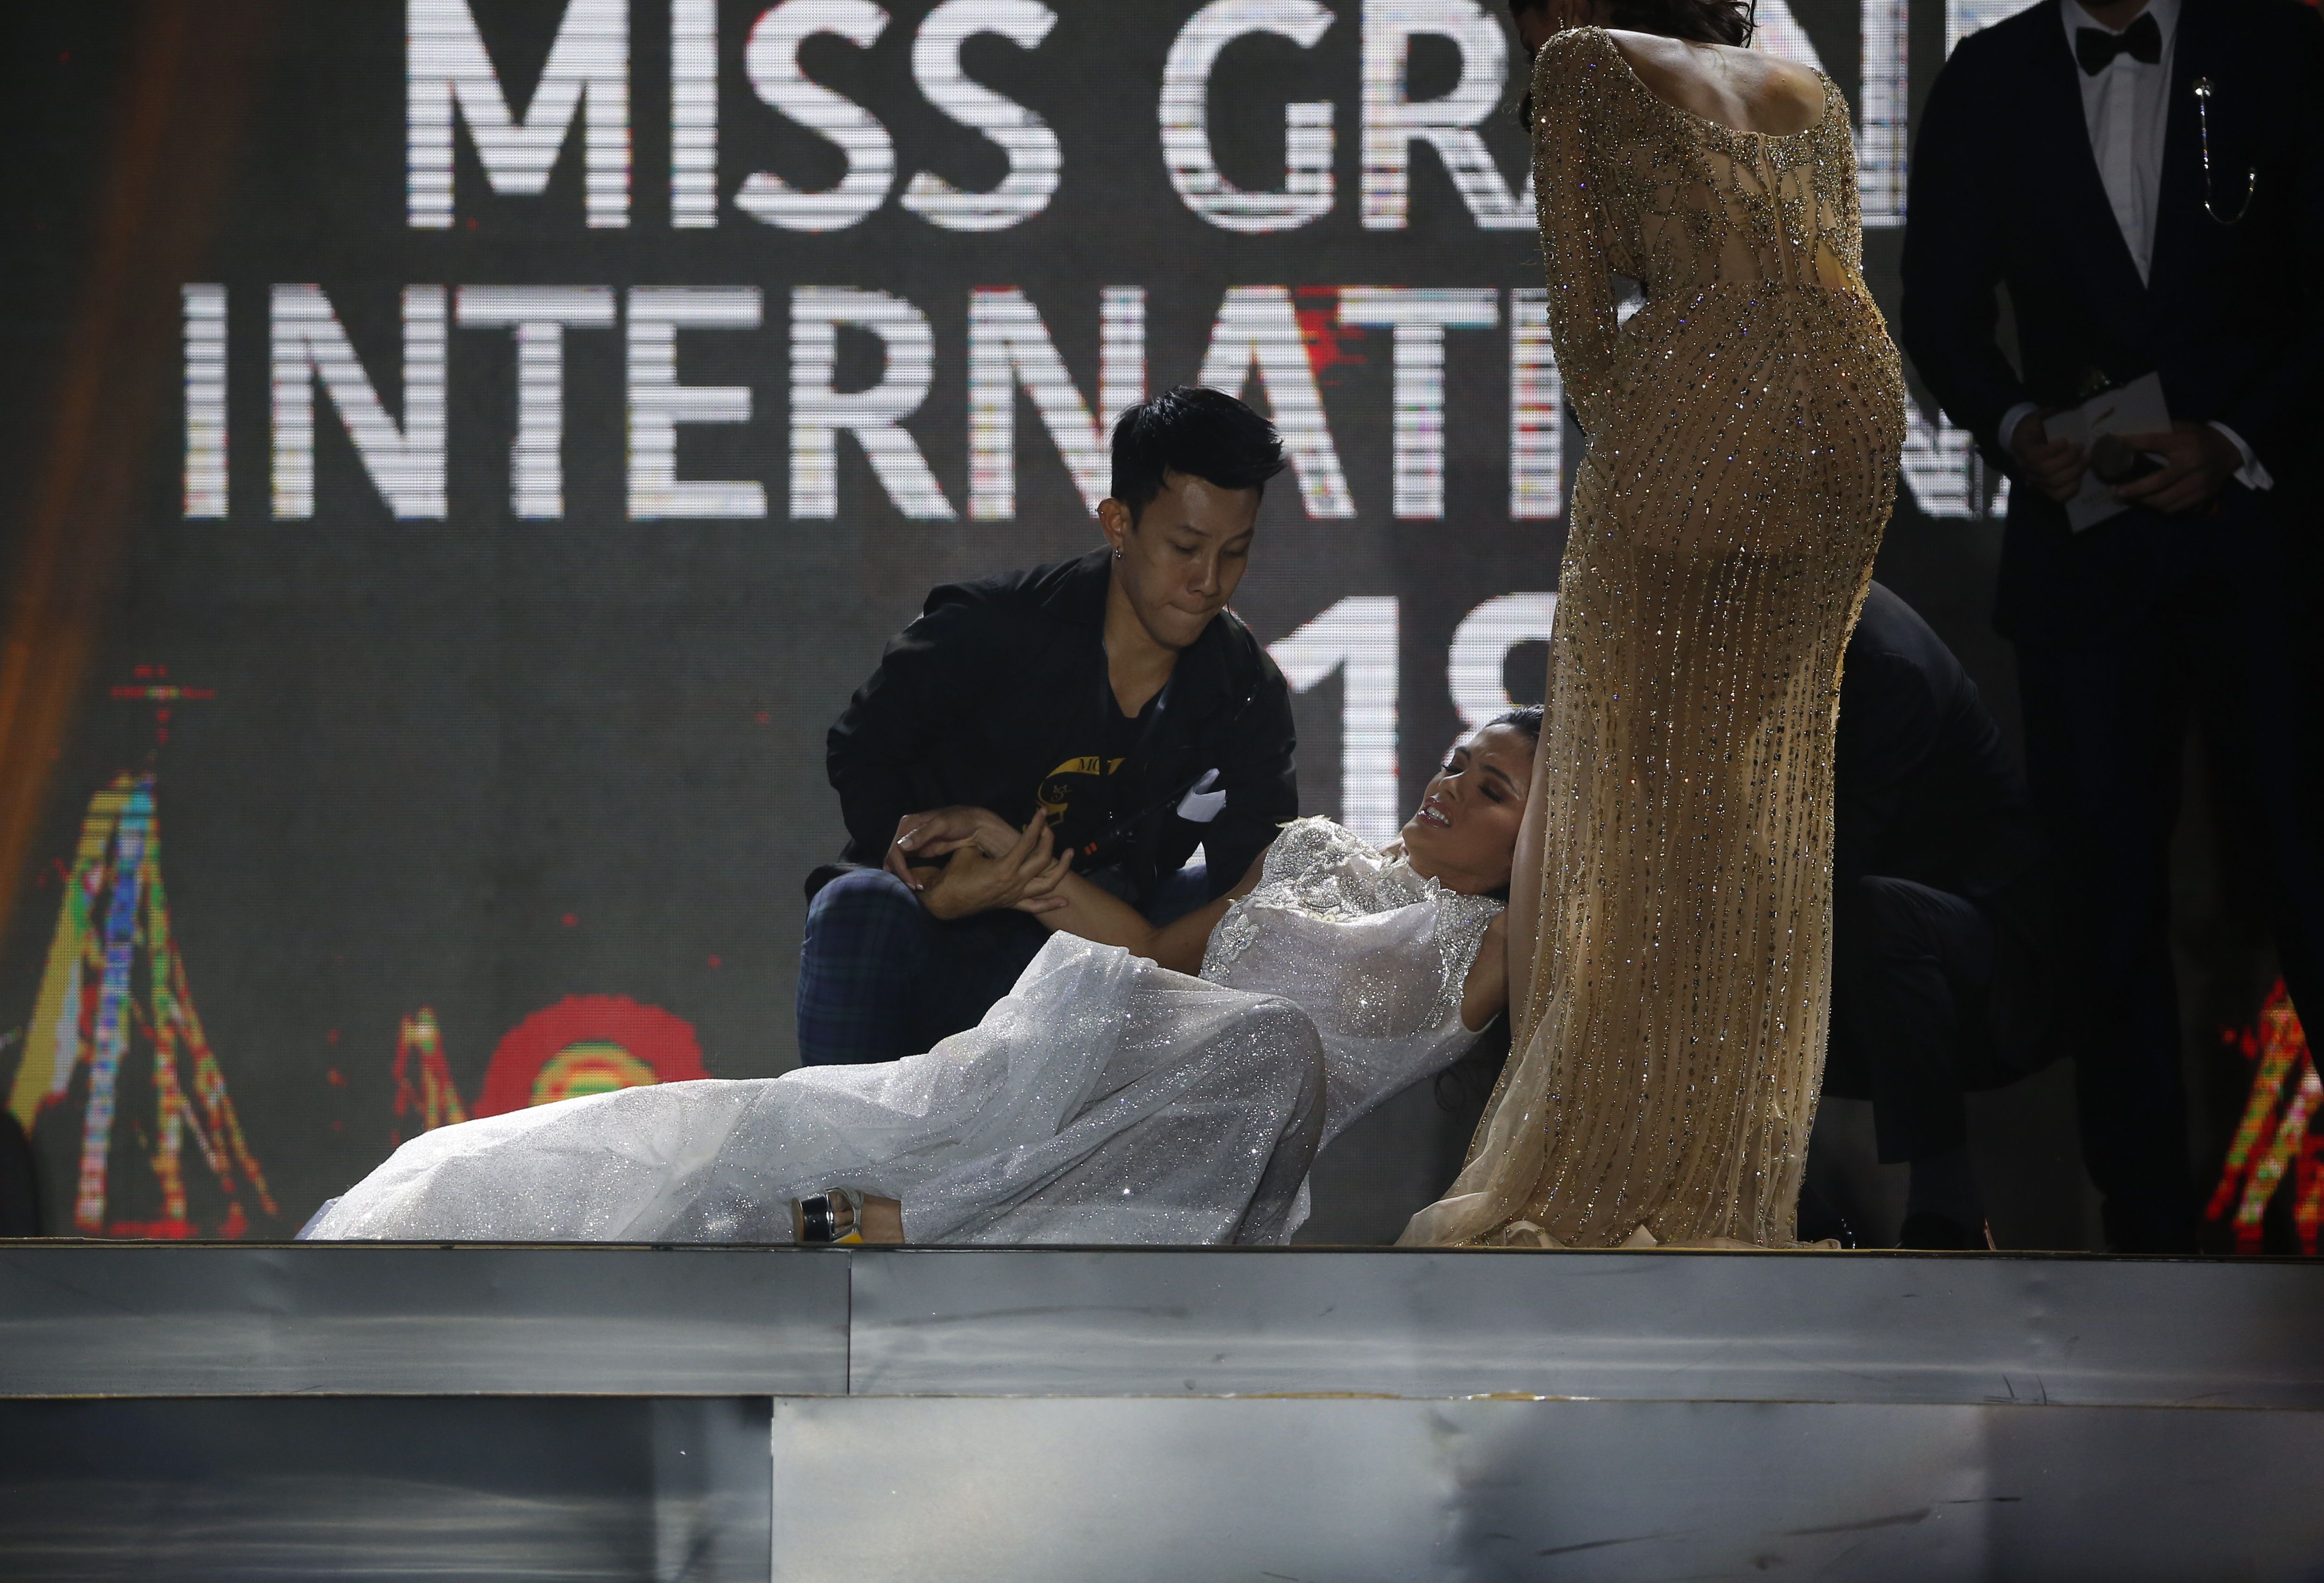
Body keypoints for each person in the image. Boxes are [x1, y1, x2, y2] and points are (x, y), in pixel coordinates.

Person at [302, 715, 1537, 1245]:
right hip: (1095, 1060)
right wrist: (1027, 877)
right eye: (1452, 760)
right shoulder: (1307, 846)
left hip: (1195, 1170)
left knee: (1268, 1041)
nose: (1447, 787)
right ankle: (463, 1212)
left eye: (1492, 788)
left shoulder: (1493, 948)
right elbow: (1159, 961)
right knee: (790, 1128)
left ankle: (896, 1231)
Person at [1401, 0, 1906, 1249]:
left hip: (1701, 394)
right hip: (1852, 409)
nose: (1527, 26)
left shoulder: (1579, 68)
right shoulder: (1810, 89)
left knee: (1632, 809)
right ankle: (1719, 1182)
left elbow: (1584, 320)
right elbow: (1828, 267)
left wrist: (1660, 435)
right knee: (1744, 818)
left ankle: (1610, 1174)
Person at [1900, 0, 2324, 1250]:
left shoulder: (2282, 50)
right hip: (2084, 557)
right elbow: (1938, 310)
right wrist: (2018, 424)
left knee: (2306, 871)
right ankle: (2143, 1230)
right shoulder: (1989, 77)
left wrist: (2235, 438)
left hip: (2267, 548)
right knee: (2107, 902)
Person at [796, 386, 1299, 1068]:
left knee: (1246, 917)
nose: (1208, 582)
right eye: (1184, 547)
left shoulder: (1246, 693)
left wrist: (1031, 874)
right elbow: (863, 747)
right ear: (1117, 523)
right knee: (857, 902)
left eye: (1235, 552)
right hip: (936, 931)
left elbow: (1247, 892)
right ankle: (843, 1166)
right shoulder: (988, 629)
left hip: (1094, 958)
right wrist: (934, 876)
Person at [1819, 584, 2061, 1250]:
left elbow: (1832, 865)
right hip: (1869, 944)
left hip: (1989, 962)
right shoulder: (1751, 630)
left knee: (1863, 912)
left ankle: (1945, 1203)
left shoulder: (1879, 658)